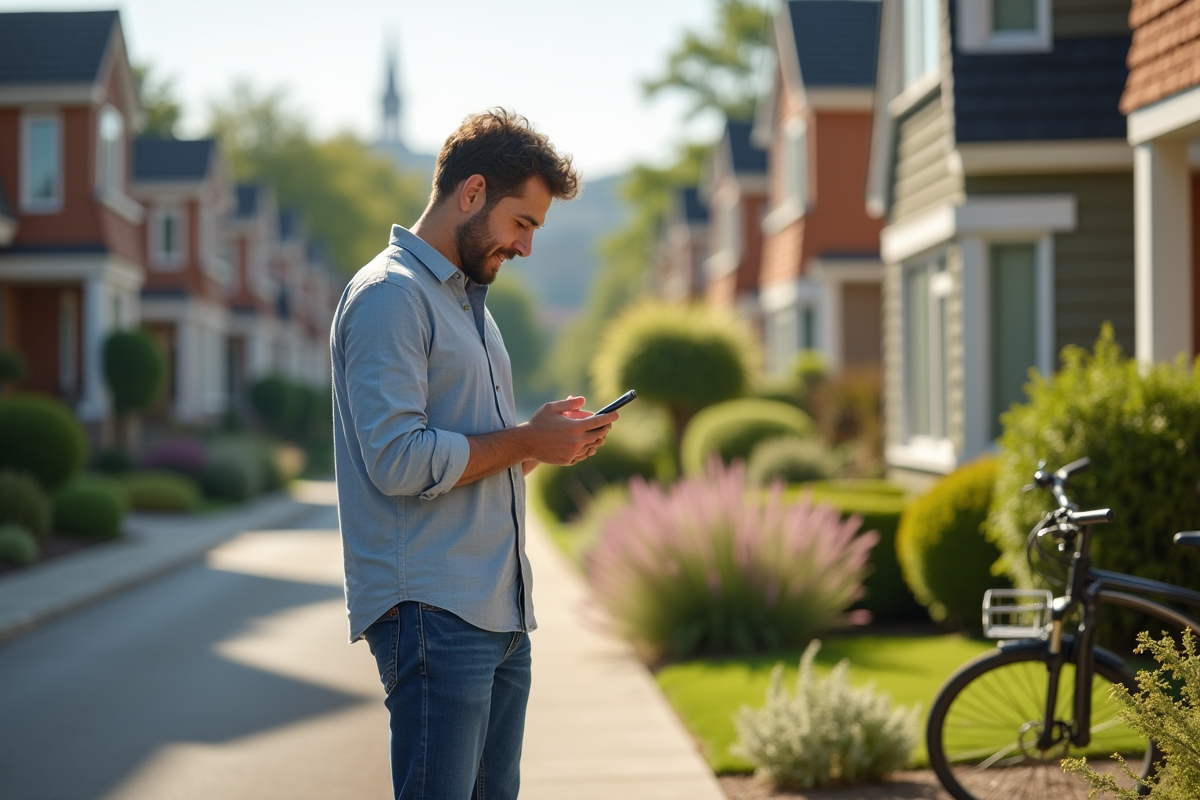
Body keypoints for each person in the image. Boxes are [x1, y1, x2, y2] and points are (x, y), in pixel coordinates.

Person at [329, 109, 617, 800]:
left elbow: (463, 461)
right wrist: (524, 439)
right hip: (434, 616)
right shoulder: (390, 297)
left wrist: (539, 443)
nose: (525, 247)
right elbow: (399, 461)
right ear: (472, 192)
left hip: (499, 615)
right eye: (522, 223)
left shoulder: (471, 311)